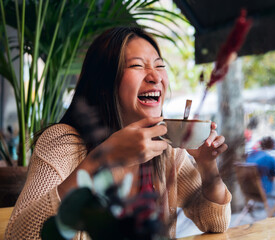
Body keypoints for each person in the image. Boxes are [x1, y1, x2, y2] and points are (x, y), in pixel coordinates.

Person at [5, 26, 231, 239]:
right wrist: (106, 158)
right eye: (137, 66)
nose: (155, 77)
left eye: (160, 66)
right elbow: (20, 235)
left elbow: (215, 222)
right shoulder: (63, 143)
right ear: (104, 83)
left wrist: (207, 165)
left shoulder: (168, 151)